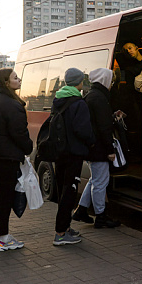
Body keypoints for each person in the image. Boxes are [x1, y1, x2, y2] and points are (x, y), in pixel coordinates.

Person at [0, 68, 33, 251]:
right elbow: (19, 133)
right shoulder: (11, 104)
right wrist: (28, 148)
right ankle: (3, 238)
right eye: (15, 78)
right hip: (7, 156)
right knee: (5, 198)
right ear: (6, 82)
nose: (19, 80)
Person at [73, 68, 122, 229]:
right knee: (101, 182)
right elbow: (103, 127)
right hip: (99, 148)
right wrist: (110, 150)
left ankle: (81, 209)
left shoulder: (92, 95)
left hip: (92, 146)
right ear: (104, 80)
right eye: (110, 80)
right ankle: (101, 216)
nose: (111, 84)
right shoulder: (99, 98)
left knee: (95, 179)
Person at [51, 67, 95, 246]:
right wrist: (92, 142)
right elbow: (82, 130)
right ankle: (60, 233)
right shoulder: (79, 103)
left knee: (63, 190)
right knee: (70, 192)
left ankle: (66, 227)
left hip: (60, 153)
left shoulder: (58, 99)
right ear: (79, 82)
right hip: (74, 153)